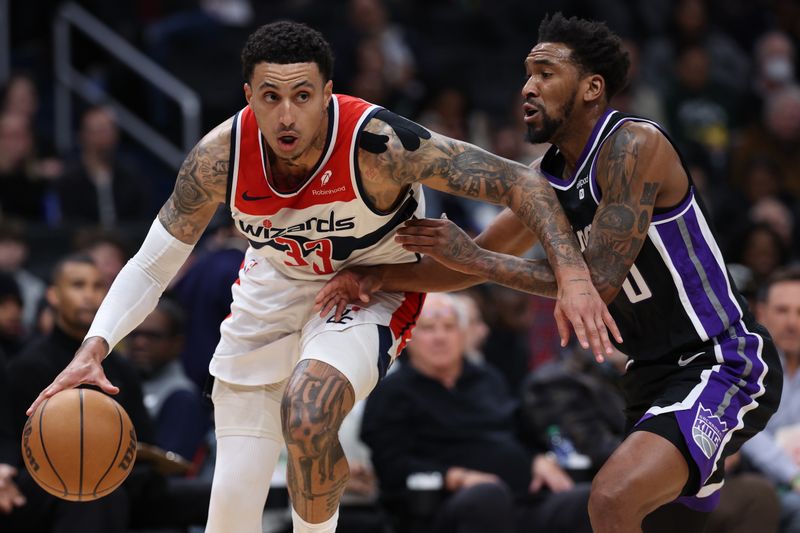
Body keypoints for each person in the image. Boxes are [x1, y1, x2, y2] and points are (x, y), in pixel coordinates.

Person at [26, 20, 617, 533]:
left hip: (374, 285)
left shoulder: (382, 144)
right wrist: (93, 349)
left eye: (303, 95)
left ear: (329, 94)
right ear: (248, 96)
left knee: (309, 413)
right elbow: (153, 262)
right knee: (229, 510)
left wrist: (574, 277)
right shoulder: (219, 156)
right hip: (271, 288)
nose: (287, 115)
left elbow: (524, 182)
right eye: (270, 96)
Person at [316, 13, 782, 532]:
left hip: (720, 359)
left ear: (591, 87)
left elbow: (595, 285)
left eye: (544, 73)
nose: (527, 87)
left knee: (610, 500)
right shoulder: (544, 179)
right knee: (653, 521)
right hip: (651, 376)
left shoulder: (632, 146)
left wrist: (474, 259)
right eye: (526, 73)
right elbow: (464, 268)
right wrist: (375, 276)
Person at [7, 253, 211, 531]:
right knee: (94, 492)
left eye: (97, 286)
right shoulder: (29, 366)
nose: (89, 295)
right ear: (53, 296)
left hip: (116, 479)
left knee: (210, 495)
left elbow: (143, 442)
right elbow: (12, 447)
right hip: (47, 482)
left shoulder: (123, 369)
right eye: (78, 285)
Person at [361, 292, 592, 533]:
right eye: (428, 328)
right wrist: (456, 477)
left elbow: (522, 432)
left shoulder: (488, 378)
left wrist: (538, 459)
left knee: (587, 498)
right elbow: (391, 465)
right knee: (487, 498)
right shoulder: (392, 391)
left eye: (449, 327)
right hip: (444, 506)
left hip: (522, 498)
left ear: (463, 334)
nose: (440, 337)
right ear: (408, 337)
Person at [741, 268, 800, 532]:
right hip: (750, 480)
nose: (792, 323)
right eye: (782, 310)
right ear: (762, 313)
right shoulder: (743, 364)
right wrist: (793, 474)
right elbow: (748, 433)